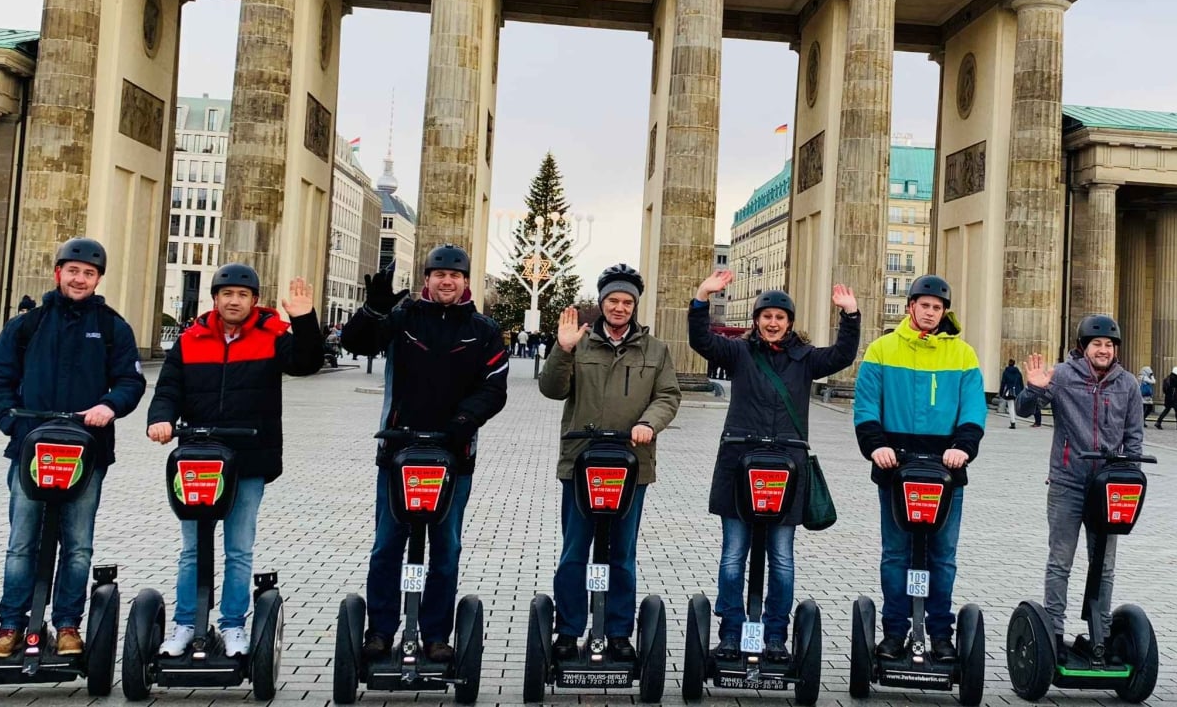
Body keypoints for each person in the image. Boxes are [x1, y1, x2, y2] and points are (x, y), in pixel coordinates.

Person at [340, 247, 509, 662]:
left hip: (454, 452)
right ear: (427, 280)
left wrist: (464, 422)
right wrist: (374, 310)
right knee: (386, 546)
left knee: (446, 547)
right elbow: (357, 342)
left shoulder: (483, 330)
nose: (446, 281)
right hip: (399, 449)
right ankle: (380, 630)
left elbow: (494, 386)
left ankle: (435, 634)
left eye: (454, 275)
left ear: (466, 281)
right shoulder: (404, 317)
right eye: (438, 275)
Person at [0, 237, 146, 657]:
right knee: (22, 542)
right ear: (58, 273)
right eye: (73, 271)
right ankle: (11, 626)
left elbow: (131, 380)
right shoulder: (27, 325)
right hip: (29, 450)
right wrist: (10, 421)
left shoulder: (112, 326)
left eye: (89, 273)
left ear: (98, 279)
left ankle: (68, 625)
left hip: (86, 452)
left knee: (78, 544)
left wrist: (109, 406)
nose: (80, 279)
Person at [147, 265, 323, 657]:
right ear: (215, 298)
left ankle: (232, 625)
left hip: (248, 457)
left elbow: (308, 363)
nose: (233, 300)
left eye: (242, 295)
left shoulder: (273, 336)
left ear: (254, 301)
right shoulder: (191, 338)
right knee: (193, 548)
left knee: (238, 548)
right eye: (226, 293)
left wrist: (303, 319)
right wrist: (159, 419)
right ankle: (186, 623)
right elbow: (169, 388)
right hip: (199, 458)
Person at [688, 271, 860, 662]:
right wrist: (702, 298)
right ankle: (731, 632)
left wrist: (850, 317)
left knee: (782, 555)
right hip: (739, 460)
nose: (772, 322)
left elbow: (841, 356)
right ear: (756, 320)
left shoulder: (805, 359)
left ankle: (776, 635)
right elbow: (701, 340)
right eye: (765, 316)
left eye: (779, 317)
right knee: (734, 552)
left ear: (790, 322)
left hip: (788, 465)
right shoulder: (739, 352)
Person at [539, 263, 681, 661]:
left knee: (621, 553)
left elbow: (668, 396)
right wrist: (562, 349)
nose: (619, 308)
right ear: (602, 303)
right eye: (613, 301)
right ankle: (568, 630)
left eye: (627, 302)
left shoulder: (654, 350)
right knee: (574, 551)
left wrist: (649, 424)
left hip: (632, 465)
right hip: (581, 463)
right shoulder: (579, 343)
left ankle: (618, 631)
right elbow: (552, 390)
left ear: (635, 306)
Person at [853, 275, 986, 661]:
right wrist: (876, 446)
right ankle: (895, 632)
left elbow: (973, 409)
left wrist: (963, 447)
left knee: (942, 555)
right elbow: (865, 407)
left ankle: (941, 634)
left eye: (937, 307)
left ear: (945, 312)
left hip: (945, 470)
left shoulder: (963, 355)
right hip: (896, 468)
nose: (930, 312)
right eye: (924, 305)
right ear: (910, 306)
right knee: (896, 553)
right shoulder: (882, 350)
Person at [1017, 315, 1144, 661]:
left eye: (1109, 345)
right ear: (1083, 348)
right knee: (1061, 559)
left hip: (1109, 485)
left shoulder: (1128, 384)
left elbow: (1134, 437)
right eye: (1096, 344)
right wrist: (1035, 388)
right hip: (1068, 481)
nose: (1103, 350)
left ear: (1116, 349)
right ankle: (1054, 634)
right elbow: (1024, 409)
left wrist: (1129, 474)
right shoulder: (1061, 376)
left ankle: (1099, 635)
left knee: (1104, 564)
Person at [999, 359, 1023, 429]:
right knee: (1016, 405)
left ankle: (1013, 422)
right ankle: (1016, 417)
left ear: (1008, 364)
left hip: (1009, 391)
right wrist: (1022, 391)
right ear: (1014, 364)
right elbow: (1021, 383)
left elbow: (1003, 383)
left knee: (1011, 407)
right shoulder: (1018, 372)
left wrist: (1001, 392)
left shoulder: (1006, 372)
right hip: (1017, 391)